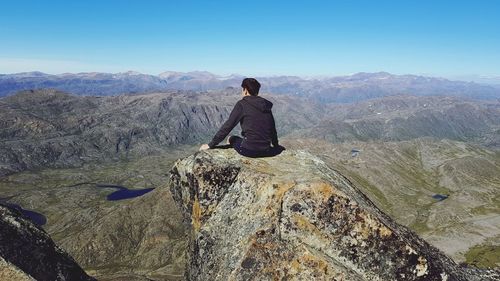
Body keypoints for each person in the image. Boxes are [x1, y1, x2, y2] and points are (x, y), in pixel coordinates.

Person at [199, 78, 285, 158]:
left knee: (231, 138)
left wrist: (211, 144)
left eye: (242, 89)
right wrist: (276, 145)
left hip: (249, 150)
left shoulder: (242, 104)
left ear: (245, 90)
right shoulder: (266, 105)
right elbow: (272, 129)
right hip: (266, 150)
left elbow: (228, 126)